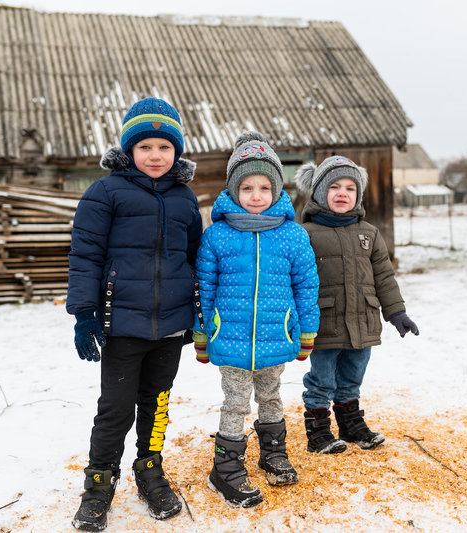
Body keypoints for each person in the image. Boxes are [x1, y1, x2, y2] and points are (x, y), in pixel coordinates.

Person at [66, 97, 202, 530]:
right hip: (120, 323)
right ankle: (99, 484)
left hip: (172, 326)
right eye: (145, 147)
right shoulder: (105, 192)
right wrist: (84, 313)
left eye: (165, 147)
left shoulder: (184, 198)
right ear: (129, 151)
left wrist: (197, 314)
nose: (155, 156)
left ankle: (150, 470)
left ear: (177, 151)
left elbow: (195, 258)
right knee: (116, 408)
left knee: (157, 403)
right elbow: (85, 255)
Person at [192, 131, 320, 508]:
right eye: (247, 187)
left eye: (264, 187)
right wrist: (202, 333)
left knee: (271, 395)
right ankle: (226, 467)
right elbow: (203, 287)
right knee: (235, 402)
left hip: (275, 336)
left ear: (277, 190)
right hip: (229, 338)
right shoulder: (216, 235)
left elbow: (307, 285)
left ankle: (273, 452)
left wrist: (306, 330)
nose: (256, 195)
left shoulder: (293, 236)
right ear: (233, 190)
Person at [295, 155, 420, 454]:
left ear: (358, 194)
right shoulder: (305, 234)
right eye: (334, 186)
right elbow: (295, 280)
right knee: (322, 380)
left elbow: (384, 276)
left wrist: (396, 312)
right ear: (318, 191)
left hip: (362, 321)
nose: (342, 193)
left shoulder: (369, 233)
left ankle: (351, 425)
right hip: (323, 323)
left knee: (352, 378)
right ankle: (319, 431)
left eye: (350, 188)